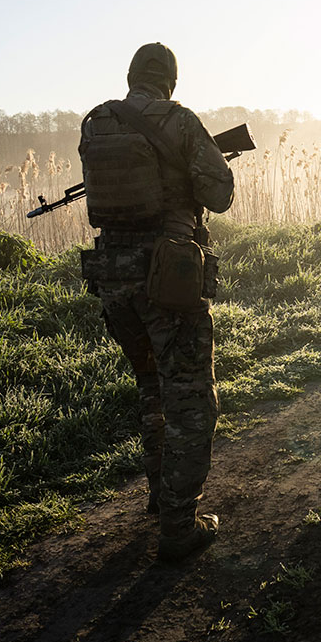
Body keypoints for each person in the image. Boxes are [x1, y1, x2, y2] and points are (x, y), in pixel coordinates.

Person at [77, 42, 235, 561]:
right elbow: (219, 194)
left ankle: (157, 497)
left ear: (129, 76)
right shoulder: (181, 121)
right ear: (170, 80)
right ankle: (178, 526)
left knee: (152, 389)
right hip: (168, 280)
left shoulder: (95, 122)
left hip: (112, 280)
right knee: (192, 404)